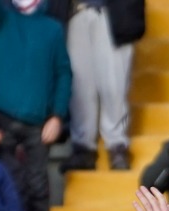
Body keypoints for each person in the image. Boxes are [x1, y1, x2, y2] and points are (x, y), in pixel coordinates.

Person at [0, 0, 71, 211]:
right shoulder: (2, 19)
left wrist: (58, 116)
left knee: (37, 185)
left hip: (38, 123)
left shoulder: (53, 28)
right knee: (4, 180)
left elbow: (63, 73)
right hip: (1, 119)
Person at [61, 0, 142, 171]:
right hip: (74, 11)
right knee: (79, 85)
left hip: (112, 12)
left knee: (115, 84)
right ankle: (83, 146)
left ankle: (117, 144)